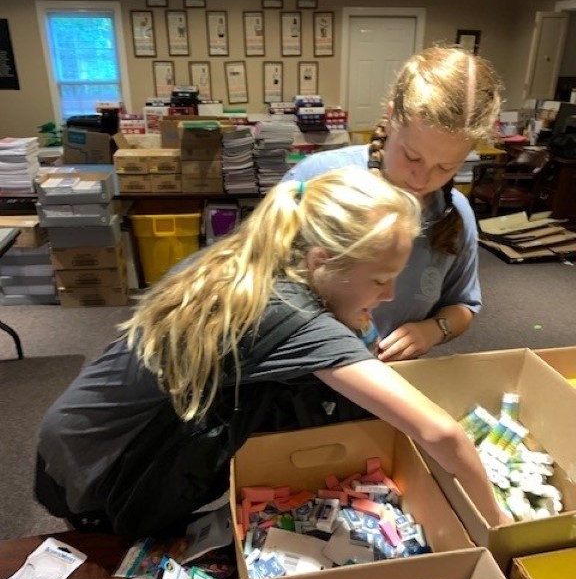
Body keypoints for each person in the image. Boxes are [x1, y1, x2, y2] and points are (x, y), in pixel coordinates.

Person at [34, 167, 507, 540]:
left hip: (73, 431)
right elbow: (440, 434)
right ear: (321, 261)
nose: (387, 297)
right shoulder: (292, 317)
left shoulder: (253, 256)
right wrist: (502, 527)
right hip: (99, 470)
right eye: (379, 280)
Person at [283, 45, 503, 361]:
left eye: (446, 167)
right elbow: (259, 283)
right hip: (302, 382)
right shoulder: (318, 179)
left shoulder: (455, 215)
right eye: (412, 156)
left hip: (392, 375)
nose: (421, 179)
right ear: (390, 118)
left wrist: (433, 329)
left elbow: (464, 304)